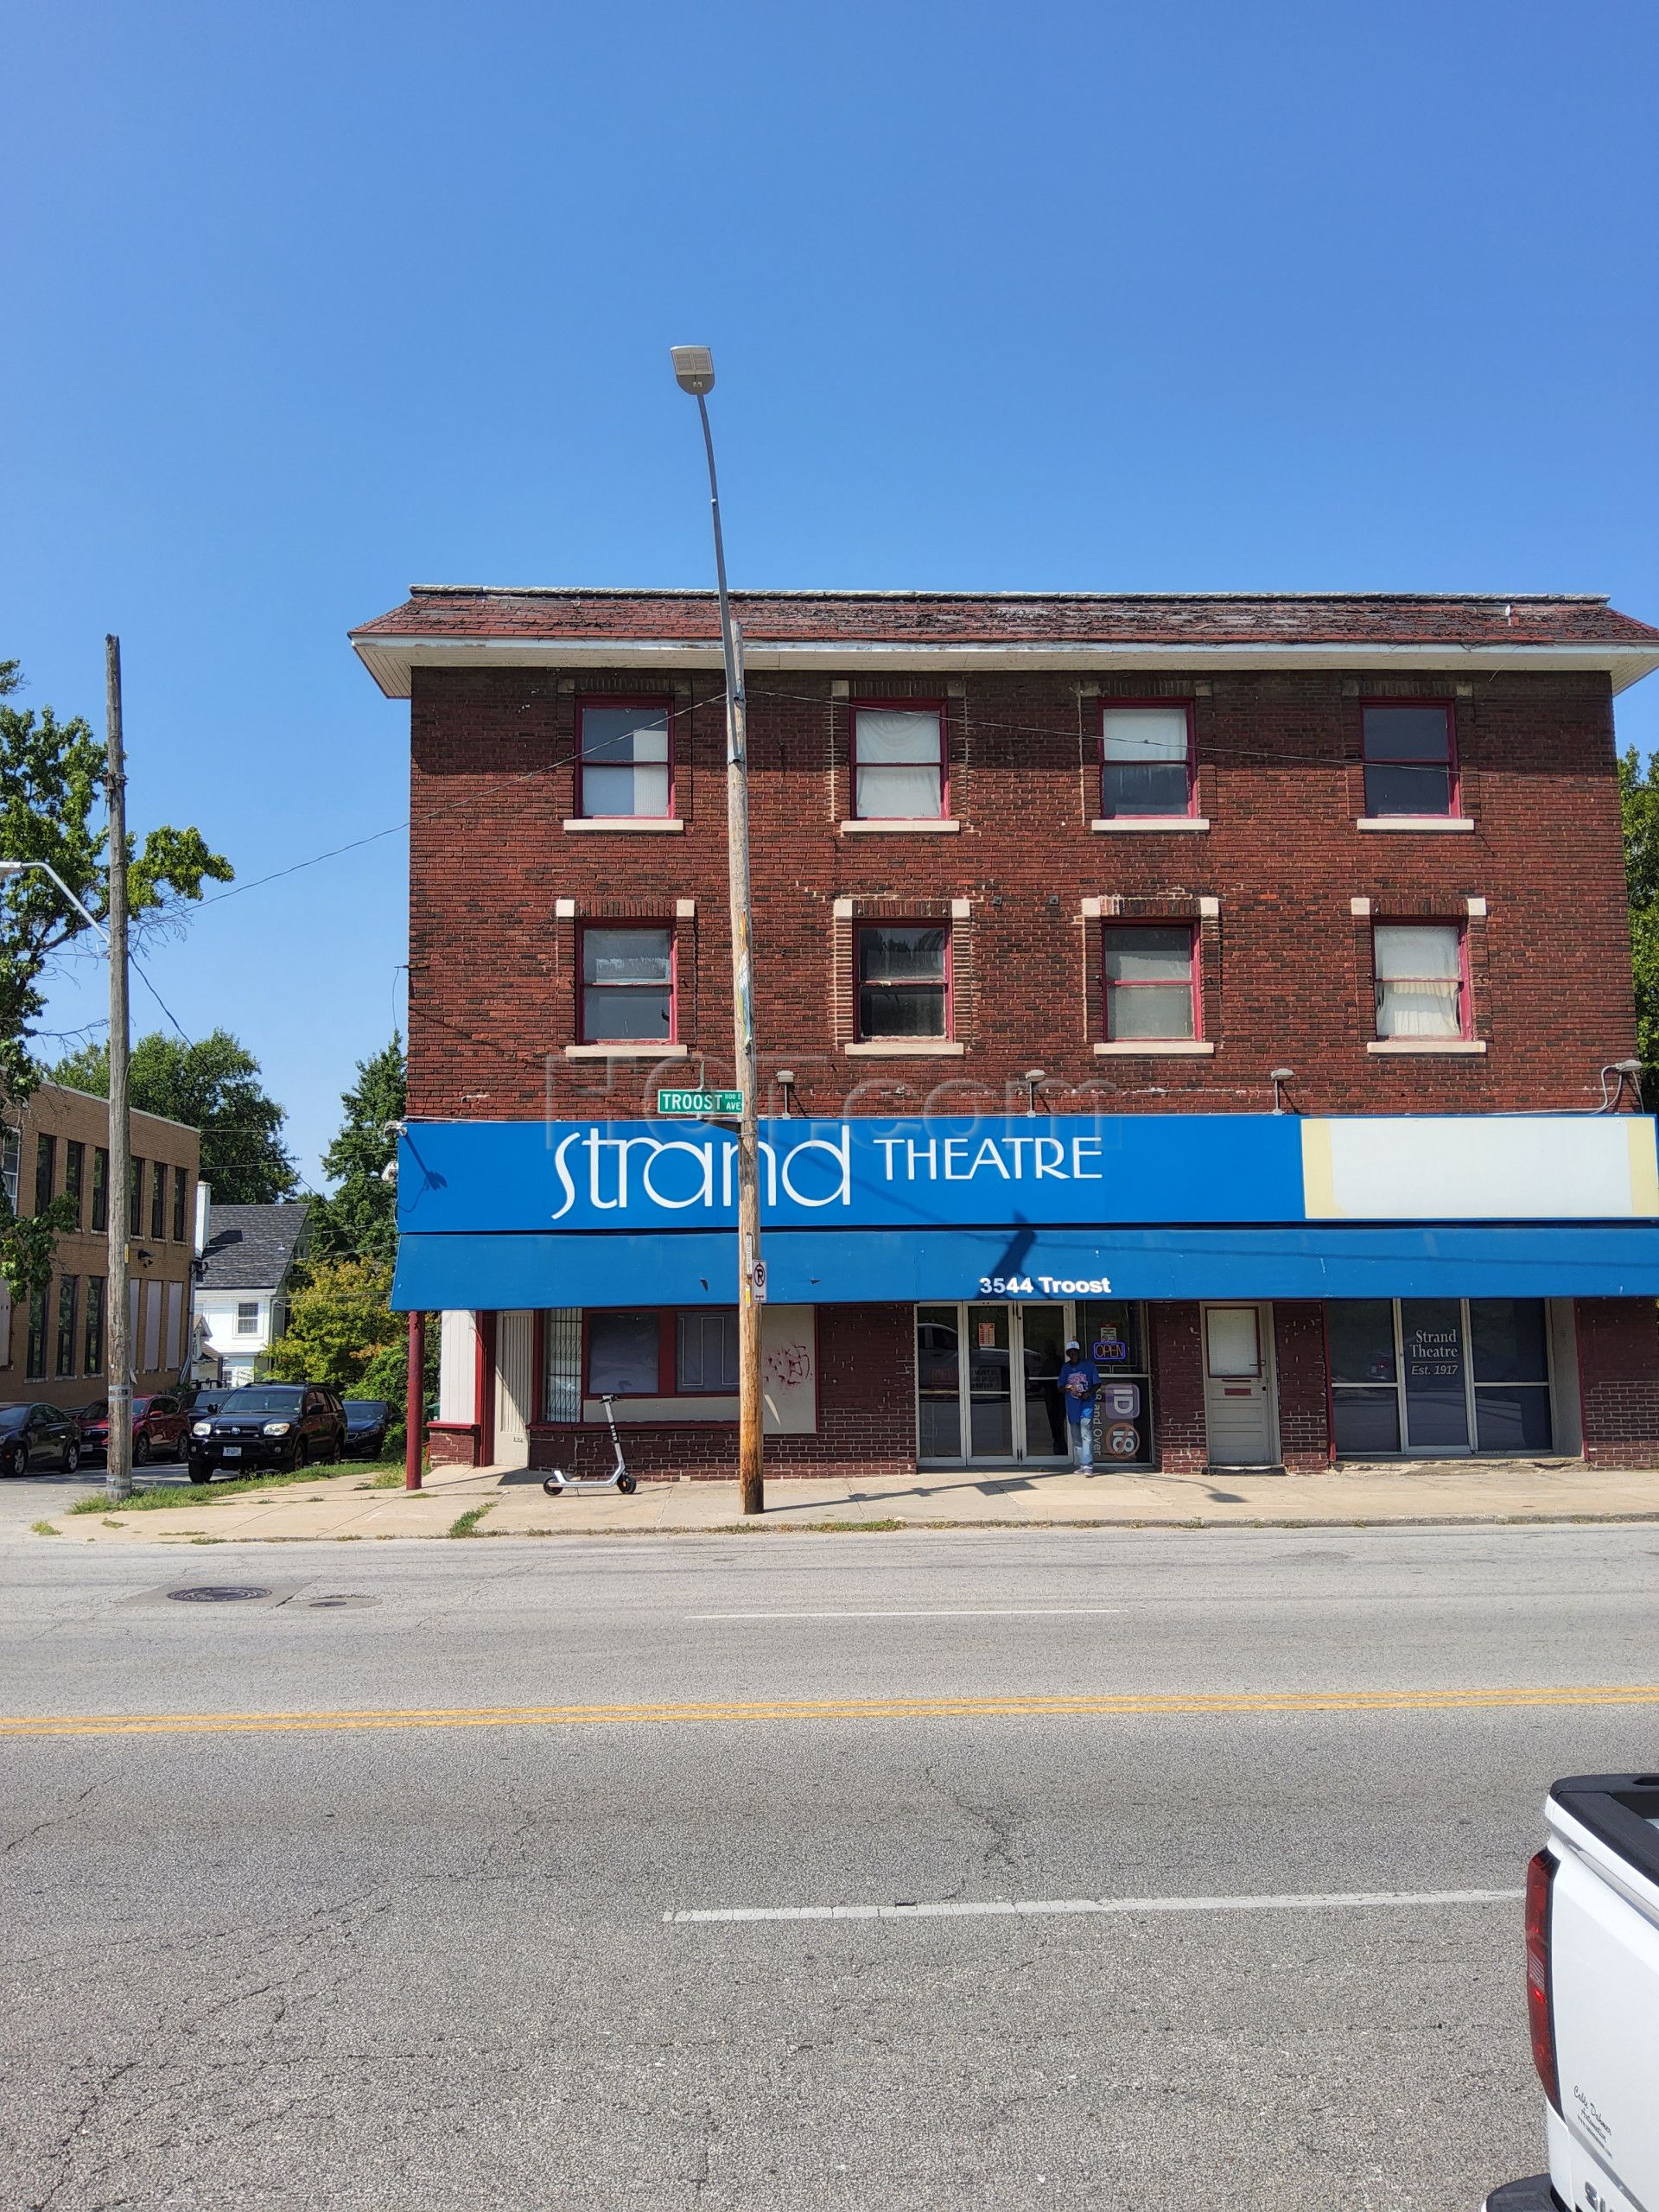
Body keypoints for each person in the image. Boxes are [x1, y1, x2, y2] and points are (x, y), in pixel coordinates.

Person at [1058, 1338, 1102, 1471]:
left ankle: (1088, 1465)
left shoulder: (1089, 1365)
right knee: (1076, 1436)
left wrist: (1089, 1393)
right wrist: (1068, 1387)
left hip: (1086, 1404)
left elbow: (1098, 1383)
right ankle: (1082, 1464)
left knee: (1086, 1433)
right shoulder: (1065, 1367)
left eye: (1075, 1352)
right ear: (1067, 1354)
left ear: (1078, 1352)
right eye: (1070, 1352)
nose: (1073, 1354)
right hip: (1072, 1406)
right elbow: (1059, 1387)